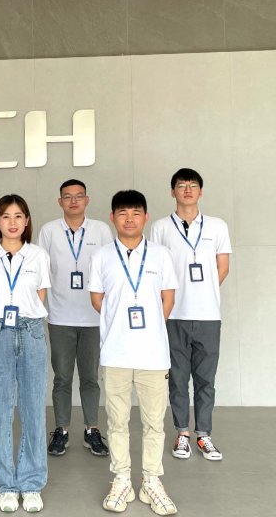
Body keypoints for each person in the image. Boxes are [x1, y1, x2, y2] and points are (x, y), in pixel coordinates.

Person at [88, 190, 179, 515]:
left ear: (146, 217)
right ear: (112, 218)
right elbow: (97, 300)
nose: (129, 218)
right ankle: (122, 479)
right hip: (116, 355)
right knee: (117, 422)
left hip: (153, 356)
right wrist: (121, 326)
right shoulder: (101, 256)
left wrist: (149, 327)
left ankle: (152, 481)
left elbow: (168, 299)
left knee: (154, 423)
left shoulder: (161, 255)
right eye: (123, 213)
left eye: (136, 212)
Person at [0, 194, 52, 513]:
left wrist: (23, 319)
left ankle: (31, 483)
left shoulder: (38, 256)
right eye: (6, 216)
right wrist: (0, 325)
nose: (13, 222)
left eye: (19, 216)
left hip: (31, 331)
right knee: (1, 411)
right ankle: (6, 485)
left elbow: (40, 295)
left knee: (33, 409)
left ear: (27, 221)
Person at [149, 168, 232, 462]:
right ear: (172, 191)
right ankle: (182, 434)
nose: (187, 189)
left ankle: (204, 434)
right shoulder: (160, 227)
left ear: (200, 191)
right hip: (174, 315)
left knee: (206, 380)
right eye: (181, 185)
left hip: (208, 315)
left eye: (193, 185)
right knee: (178, 378)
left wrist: (203, 291)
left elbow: (222, 267)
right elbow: (156, 271)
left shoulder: (217, 226)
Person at [38, 179, 112, 458]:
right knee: (62, 378)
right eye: (67, 197)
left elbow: (110, 269)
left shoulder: (101, 230)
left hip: (93, 317)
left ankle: (92, 430)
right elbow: (40, 272)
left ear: (86, 200)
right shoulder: (49, 231)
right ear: (60, 201)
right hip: (60, 316)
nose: (73, 201)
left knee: (91, 378)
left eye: (78, 196)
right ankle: (62, 430)